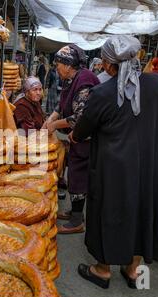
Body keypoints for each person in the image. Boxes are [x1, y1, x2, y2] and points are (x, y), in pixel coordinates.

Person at [71, 35, 158, 289]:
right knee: (142, 212)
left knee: (108, 213)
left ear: (106, 64)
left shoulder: (102, 93)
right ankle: (133, 270)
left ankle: (102, 270)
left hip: (110, 169)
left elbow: (82, 130)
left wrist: (74, 135)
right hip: (150, 167)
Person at [42, 44, 100, 234]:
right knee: (74, 173)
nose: (56, 67)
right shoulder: (70, 79)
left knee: (79, 175)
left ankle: (77, 221)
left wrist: (53, 126)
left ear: (68, 64)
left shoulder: (84, 81)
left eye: (58, 64)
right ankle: (75, 212)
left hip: (87, 138)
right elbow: (62, 105)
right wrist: (51, 118)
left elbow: (80, 117)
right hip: (78, 137)